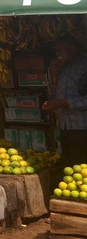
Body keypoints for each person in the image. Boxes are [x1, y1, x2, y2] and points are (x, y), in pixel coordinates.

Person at [44, 36, 87, 167]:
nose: (57, 55)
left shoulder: (84, 65)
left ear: (72, 49)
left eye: (60, 50)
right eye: (55, 51)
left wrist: (64, 103)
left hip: (82, 128)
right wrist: (54, 76)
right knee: (68, 165)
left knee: (81, 166)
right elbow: (54, 96)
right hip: (64, 126)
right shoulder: (62, 68)